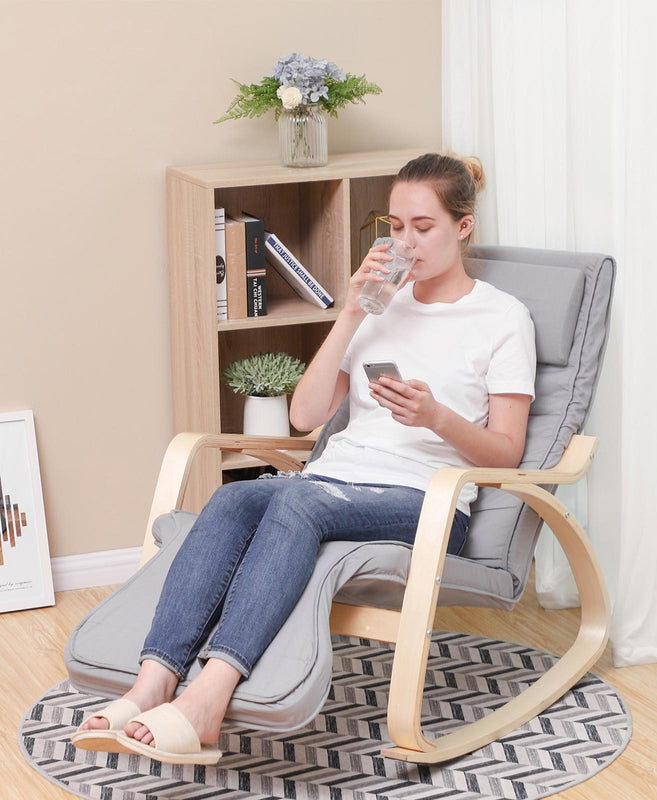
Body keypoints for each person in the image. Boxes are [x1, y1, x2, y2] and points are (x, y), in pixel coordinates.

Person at [71, 152, 537, 765]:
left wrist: (436, 417)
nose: (405, 242)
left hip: (428, 502)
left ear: (463, 226)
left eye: (422, 227)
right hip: (334, 482)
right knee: (236, 496)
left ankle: (211, 694)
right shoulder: (378, 307)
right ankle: (153, 681)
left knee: (296, 500)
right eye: (394, 226)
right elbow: (306, 416)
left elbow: (507, 453)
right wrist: (351, 312)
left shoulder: (502, 318)